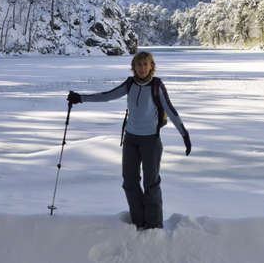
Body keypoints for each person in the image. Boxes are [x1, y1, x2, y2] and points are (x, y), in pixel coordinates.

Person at [67, 51, 191, 230]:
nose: (142, 68)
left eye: (145, 64)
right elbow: (107, 96)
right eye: (138, 65)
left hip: (151, 141)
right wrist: (81, 98)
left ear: (151, 66)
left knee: (151, 183)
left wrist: (184, 135)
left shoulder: (157, 86)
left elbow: (171, 111)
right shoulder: (130, 84)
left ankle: (154, 226)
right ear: (134, 67)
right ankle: (138, 222)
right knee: (130, 182)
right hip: (131, 139)